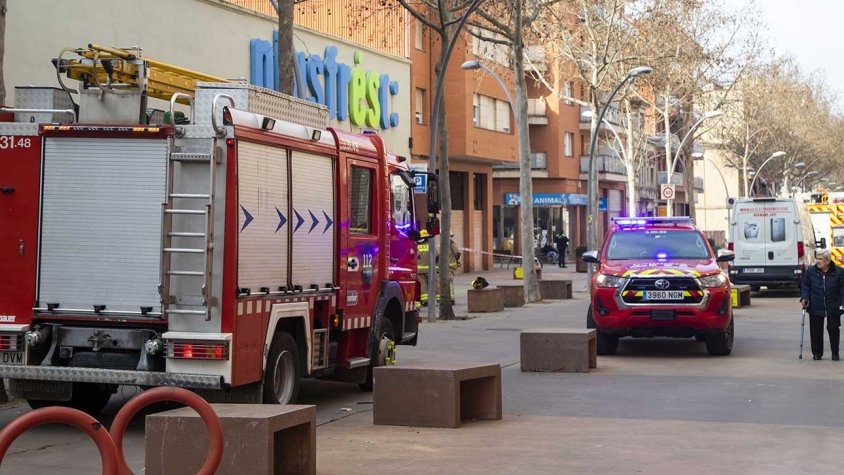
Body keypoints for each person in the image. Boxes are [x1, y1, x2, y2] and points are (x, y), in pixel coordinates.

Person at [800, 249, 844, 360]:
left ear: (828, 261)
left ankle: (835, 353)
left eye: (821, 259)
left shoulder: (839, 272)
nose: (818, 261)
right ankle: (817, 353)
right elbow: (805, 285)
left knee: (833, 328)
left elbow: (843, 288)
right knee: (815, 330)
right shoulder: (811, 271)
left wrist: (842, 302)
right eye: (817, 259)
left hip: (833, 304)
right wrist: (805, 297)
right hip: (815, 303)